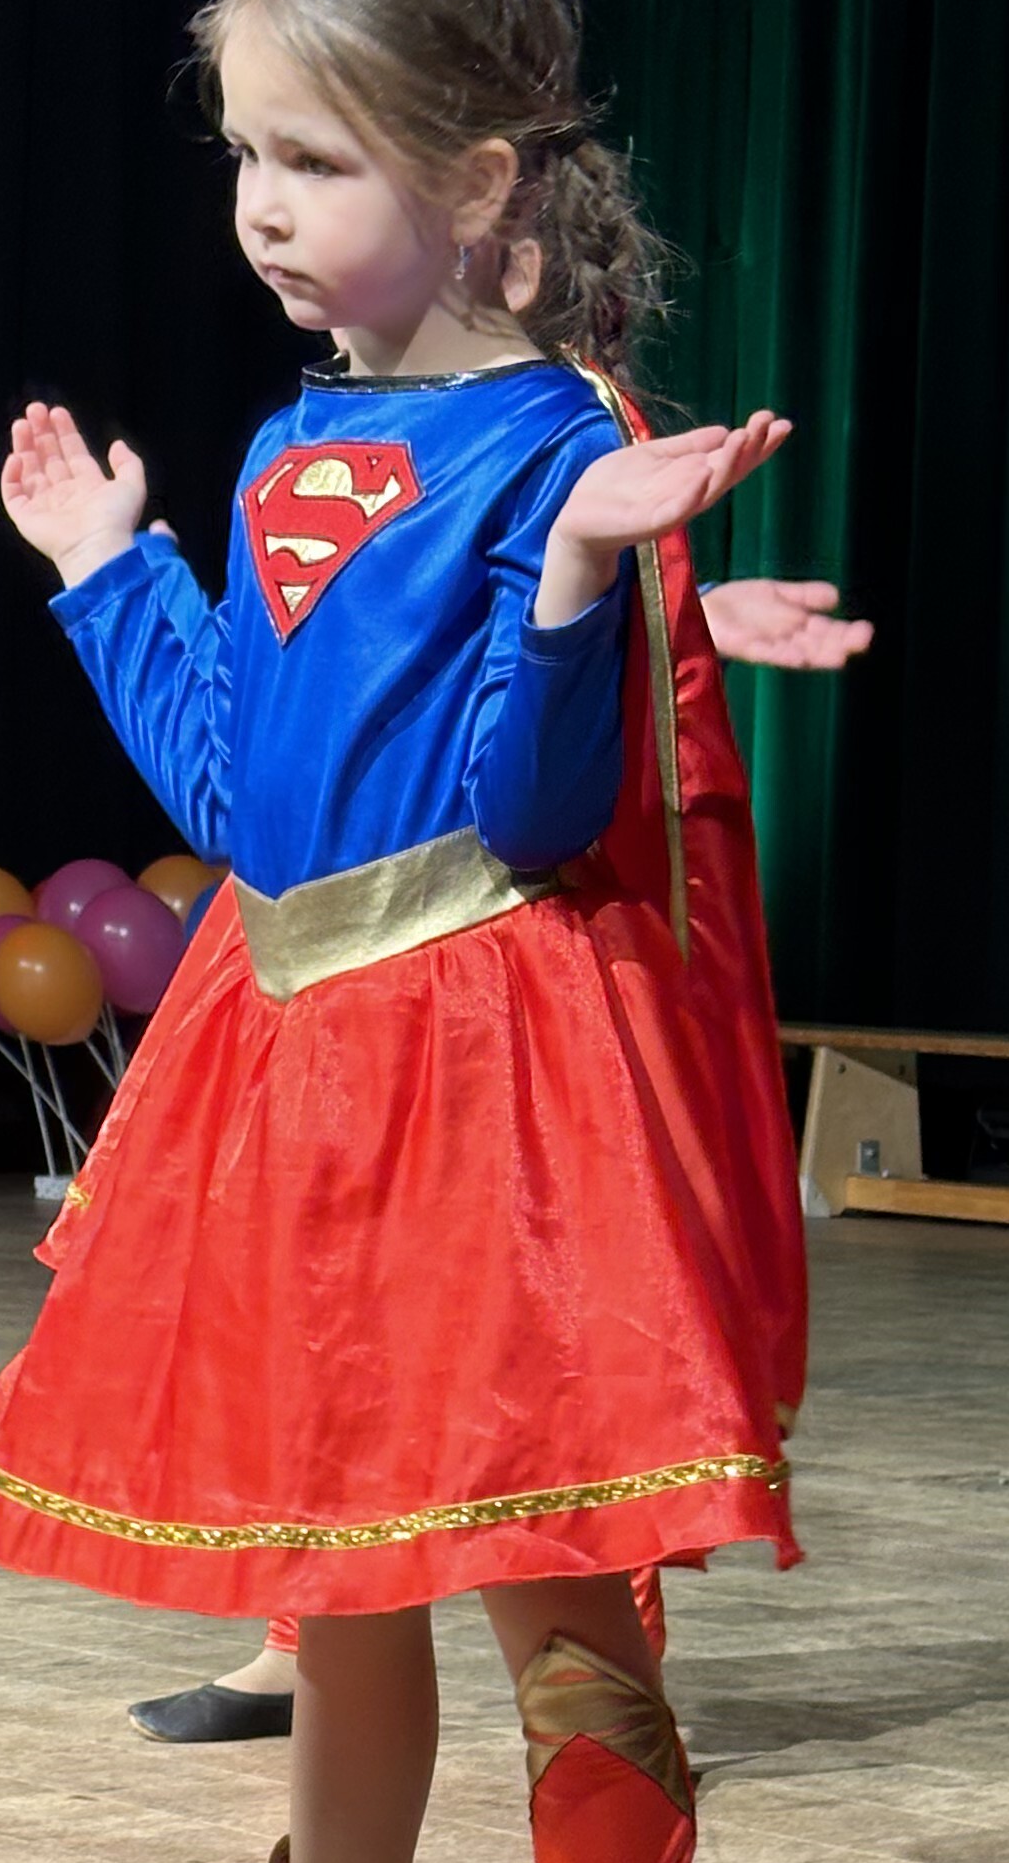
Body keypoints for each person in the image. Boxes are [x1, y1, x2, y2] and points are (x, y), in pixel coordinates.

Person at [0, 0, 808, 1863]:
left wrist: (578, 580)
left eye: (311, 160)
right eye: (244, 156)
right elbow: (245, 799)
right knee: (334, 1570)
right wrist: (115, 575)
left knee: (557, 1588)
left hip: (491, 1075)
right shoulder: (291, 442)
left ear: (479, 178)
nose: (261, 206)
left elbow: (533, 812)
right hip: (295, 1050)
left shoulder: (556, 444)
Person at [128, 574, 870, 1744]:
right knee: (330, 1290)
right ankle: (304, 1630)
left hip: (503, 917)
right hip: (339, 890)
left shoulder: (569, 460)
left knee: (558, 1304)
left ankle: (606, 1680)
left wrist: (646, 634)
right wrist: (122, 583)